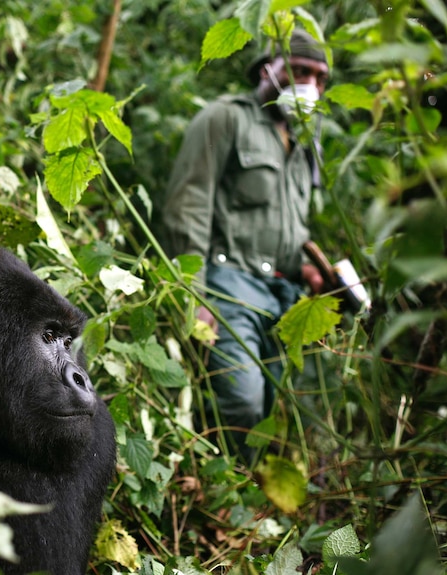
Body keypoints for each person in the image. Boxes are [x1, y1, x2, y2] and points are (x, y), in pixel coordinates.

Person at [160, 29, 329, 463]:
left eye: (320, 77)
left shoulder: (306, 140)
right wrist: (192, 294)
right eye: (300, 70)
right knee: (242, 402)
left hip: (283, 295)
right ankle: (214, 495)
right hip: (228, 285)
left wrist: (308, 268)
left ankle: (239, 503)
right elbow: (188, 207)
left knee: (274, 411)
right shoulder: (226, 118)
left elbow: (288, 221)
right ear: (267, 69)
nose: (309, 84)